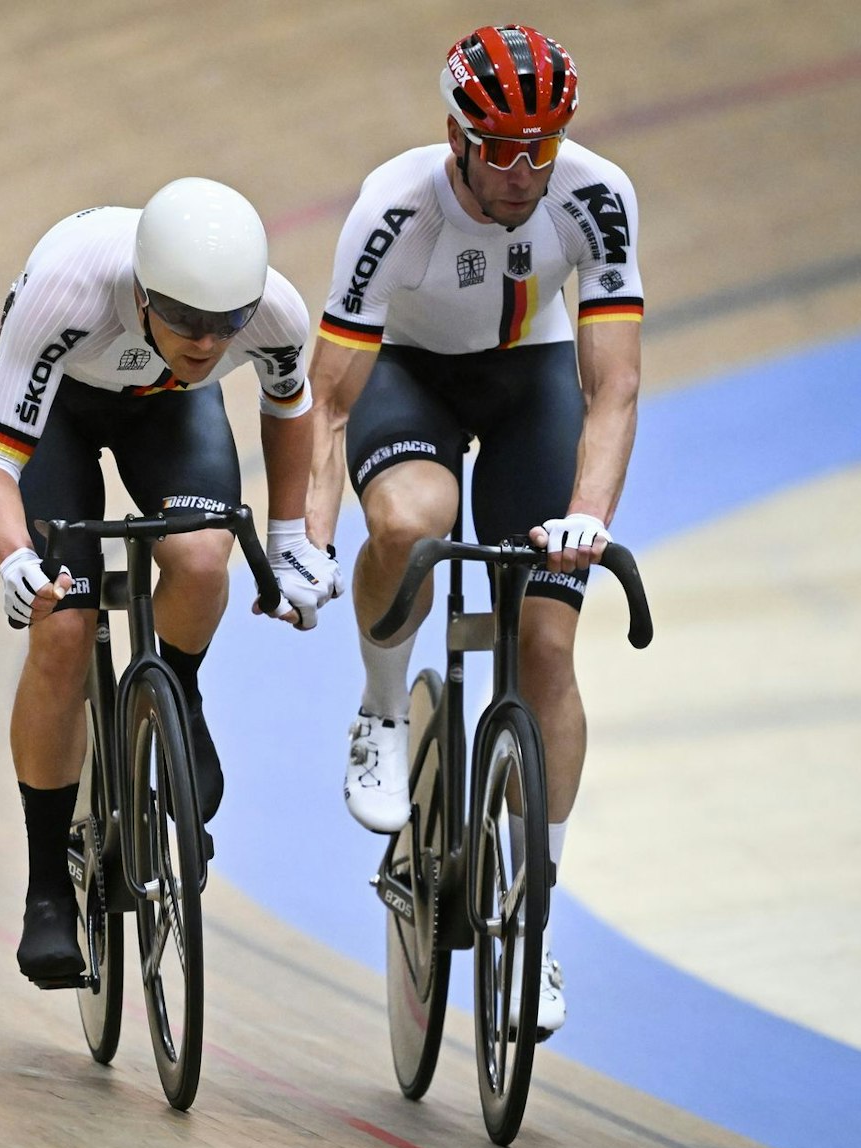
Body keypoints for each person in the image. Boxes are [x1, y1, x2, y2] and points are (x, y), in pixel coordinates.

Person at [305, 24, 644, 1035]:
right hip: (405, 373)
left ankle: (532, 920)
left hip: (527, 380)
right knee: (414, 521)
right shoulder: (391, 207)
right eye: (497, 149)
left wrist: (584, 520)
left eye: (536, 148)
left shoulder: (595, 194)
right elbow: (325, 399)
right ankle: (377, 709)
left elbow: (611, 385)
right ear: (453, 137)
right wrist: (307, 541)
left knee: (542, 641)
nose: (517, 172)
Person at [0, 177, 344, 985]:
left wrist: (288, 540)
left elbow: (290, 404)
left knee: (206, 555)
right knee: (63, 626)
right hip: (60, 412)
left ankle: (178, 692)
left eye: (223, 325)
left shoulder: (272, 311)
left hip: (170, 410)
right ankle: (45, 890)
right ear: (141, 291)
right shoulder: (66, 292)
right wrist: (13, 562)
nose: (207, 343)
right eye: (185, 320)